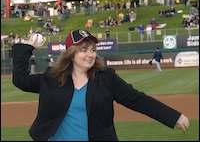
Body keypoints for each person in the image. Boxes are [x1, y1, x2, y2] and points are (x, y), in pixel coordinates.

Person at [12, 29, 189, 141]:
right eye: (83, 50)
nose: (90, 55)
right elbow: (20, 79)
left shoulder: (106, 78)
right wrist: (27, 47)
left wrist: (173, 116)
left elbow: (137, 100)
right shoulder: (52, 78)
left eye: (93, 50)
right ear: (71, 54)